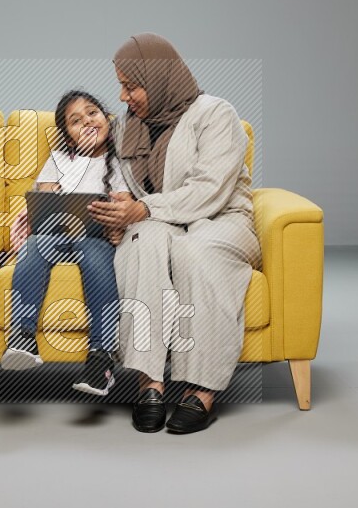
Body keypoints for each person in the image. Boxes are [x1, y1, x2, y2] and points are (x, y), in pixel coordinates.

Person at [88, 33, 262, 433]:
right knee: (141, 243)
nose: (122, 96)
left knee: (193, 253)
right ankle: (149, 383)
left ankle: (202, 391)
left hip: (220, 220)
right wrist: (117, 211)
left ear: (160, 78)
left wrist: (144, 207)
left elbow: (209, 189)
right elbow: (125, 189)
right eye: (120, 85)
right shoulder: (130, 126)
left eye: (131, 86)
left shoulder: (216, 113)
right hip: (161, 222)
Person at [0, 90, 132, 397]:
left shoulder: (121, 161)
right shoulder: (59, 159)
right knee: (35, 247)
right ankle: (22, 337)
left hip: (95, 237)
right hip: (56, 233)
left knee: (97, 255)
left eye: (92, 113)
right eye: (76, 121)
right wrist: (53, 193)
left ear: (106, 120)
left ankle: (101, 358)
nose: (87, 121)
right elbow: (44, 197)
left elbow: (124, 204)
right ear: (69, 137)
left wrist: (117, 227)